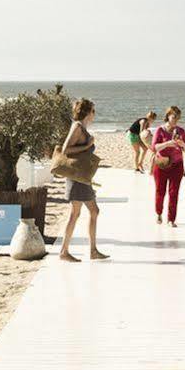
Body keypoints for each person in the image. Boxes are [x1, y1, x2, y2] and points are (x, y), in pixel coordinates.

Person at [55, 98, 107, 262]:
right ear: (87, 112)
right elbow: (65, 149)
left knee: (77, 213)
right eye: (93, 111)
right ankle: (87, 251)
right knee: (92, 211)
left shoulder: (81, 127)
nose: (94, 114)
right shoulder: (77, 126)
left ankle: (69, 251)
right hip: (77, 177)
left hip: (80, 176)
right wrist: (87, 145)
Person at [150, 105, 185, 224]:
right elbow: (154, 147)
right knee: (160, 191)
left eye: (178, 118)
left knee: (174, 193)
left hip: (177, 165)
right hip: (161, 164)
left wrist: (182, 144)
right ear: (168, 116)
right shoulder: (160, 130)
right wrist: (168, 143)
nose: (175, 120)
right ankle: (159, 213)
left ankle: (171, 219)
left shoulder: (181, 131)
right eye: (173, 117)